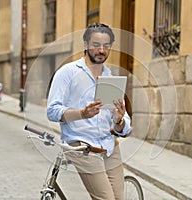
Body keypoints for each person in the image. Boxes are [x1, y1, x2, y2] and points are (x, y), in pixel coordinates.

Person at [47, 23, 131, 200]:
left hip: (109, 147)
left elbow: (125, 126)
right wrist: (81, 114)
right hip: (82, 146)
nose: (101, 50)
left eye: (106, 46)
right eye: (96, 45)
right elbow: (52, 111)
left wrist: (118, 121)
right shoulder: (68, 73)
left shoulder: (110, 77)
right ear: (85, 45)